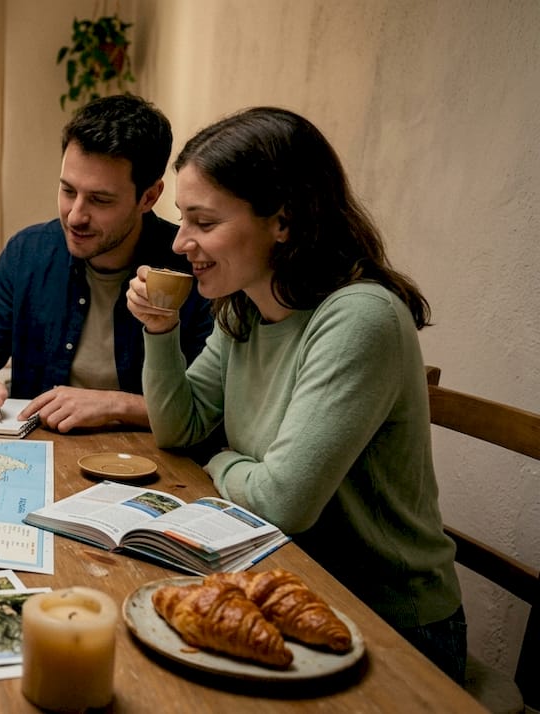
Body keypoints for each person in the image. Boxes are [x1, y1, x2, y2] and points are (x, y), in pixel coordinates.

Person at [126, 107, 464, 681]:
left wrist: (220, 457)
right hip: (287, 585)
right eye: (182, 220)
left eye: (203, 222)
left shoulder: (360, 317)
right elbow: (178, 430)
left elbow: (283, 502)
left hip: (390, 627)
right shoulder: (246, 306)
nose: (181, 243)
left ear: (282, 221)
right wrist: (160, 333)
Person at [0, 95, 212, 432]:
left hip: (147, 461)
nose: (76, 216)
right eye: (68, 191)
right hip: (37, 455)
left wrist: (117, 404)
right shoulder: (28, 251)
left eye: (100, 200)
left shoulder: (192, 267)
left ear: (149, 197)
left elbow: (209, 406)